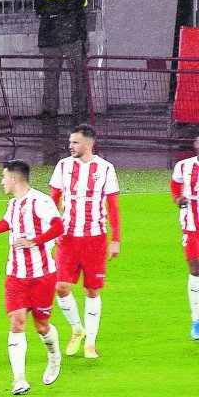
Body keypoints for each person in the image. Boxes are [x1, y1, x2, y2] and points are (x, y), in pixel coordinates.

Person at [0, 161, 65, 395]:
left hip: (42, 275)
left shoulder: (41, 201)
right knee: (17, 323)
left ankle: (54, 355)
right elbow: (7, 223)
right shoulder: (13, 204)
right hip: (15, 276)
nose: (1, 181)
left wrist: (34, 241)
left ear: (15, 179)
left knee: (41, 325)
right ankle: (19, 380)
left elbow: (58, 227)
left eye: (3, 177)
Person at [49, 124, 120, 358]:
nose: (70, 146)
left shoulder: (106, 169)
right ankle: (76, 329)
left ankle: (90, 341)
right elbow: (53, 201)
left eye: (75, 142)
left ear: (88, 145)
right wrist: (53, 229)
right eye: (70, 142)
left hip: (95, 239)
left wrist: (115, 239)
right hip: (67, 238)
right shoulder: (63, 166)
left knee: (92, 290)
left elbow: (113, 207)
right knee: (61, 287)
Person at [35, 0, 89, 120]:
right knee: (51, 76)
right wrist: (60, 4)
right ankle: (52, 110)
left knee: (76, 75)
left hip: (68, 36)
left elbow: (73, 4)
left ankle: (78, 111)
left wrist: (52, 5)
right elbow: (38, 5)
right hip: (56, 37)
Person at [169, 136, 199, 339]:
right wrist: (178, 198)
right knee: (195, 269)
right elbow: (175, 185)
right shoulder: (184, 166)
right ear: (196, 144)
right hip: (191, 226)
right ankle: (196, 320)